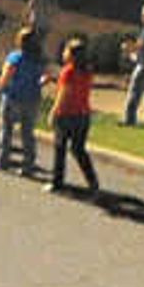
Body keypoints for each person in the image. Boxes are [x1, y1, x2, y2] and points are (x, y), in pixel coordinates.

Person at [48, 36, 104, 194]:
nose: (63, 53)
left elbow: (64, 93)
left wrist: (54, 111)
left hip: (67, 114)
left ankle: (57, 182)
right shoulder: (87, 70)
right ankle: (92, 180)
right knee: (79, 149)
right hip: (83, 114)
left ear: (71, 55)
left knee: (60, 148)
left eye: (66, 50)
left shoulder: (68, 71)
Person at [0, 35, 46, 176]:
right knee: (27, 133)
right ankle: (28, 164)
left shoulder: (15, 57)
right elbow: (43, 78)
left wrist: (2, 86)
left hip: (13, 97)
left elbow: (7, 73)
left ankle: (2, 160)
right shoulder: (39, 60)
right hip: (32, 99)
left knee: (6, 130)